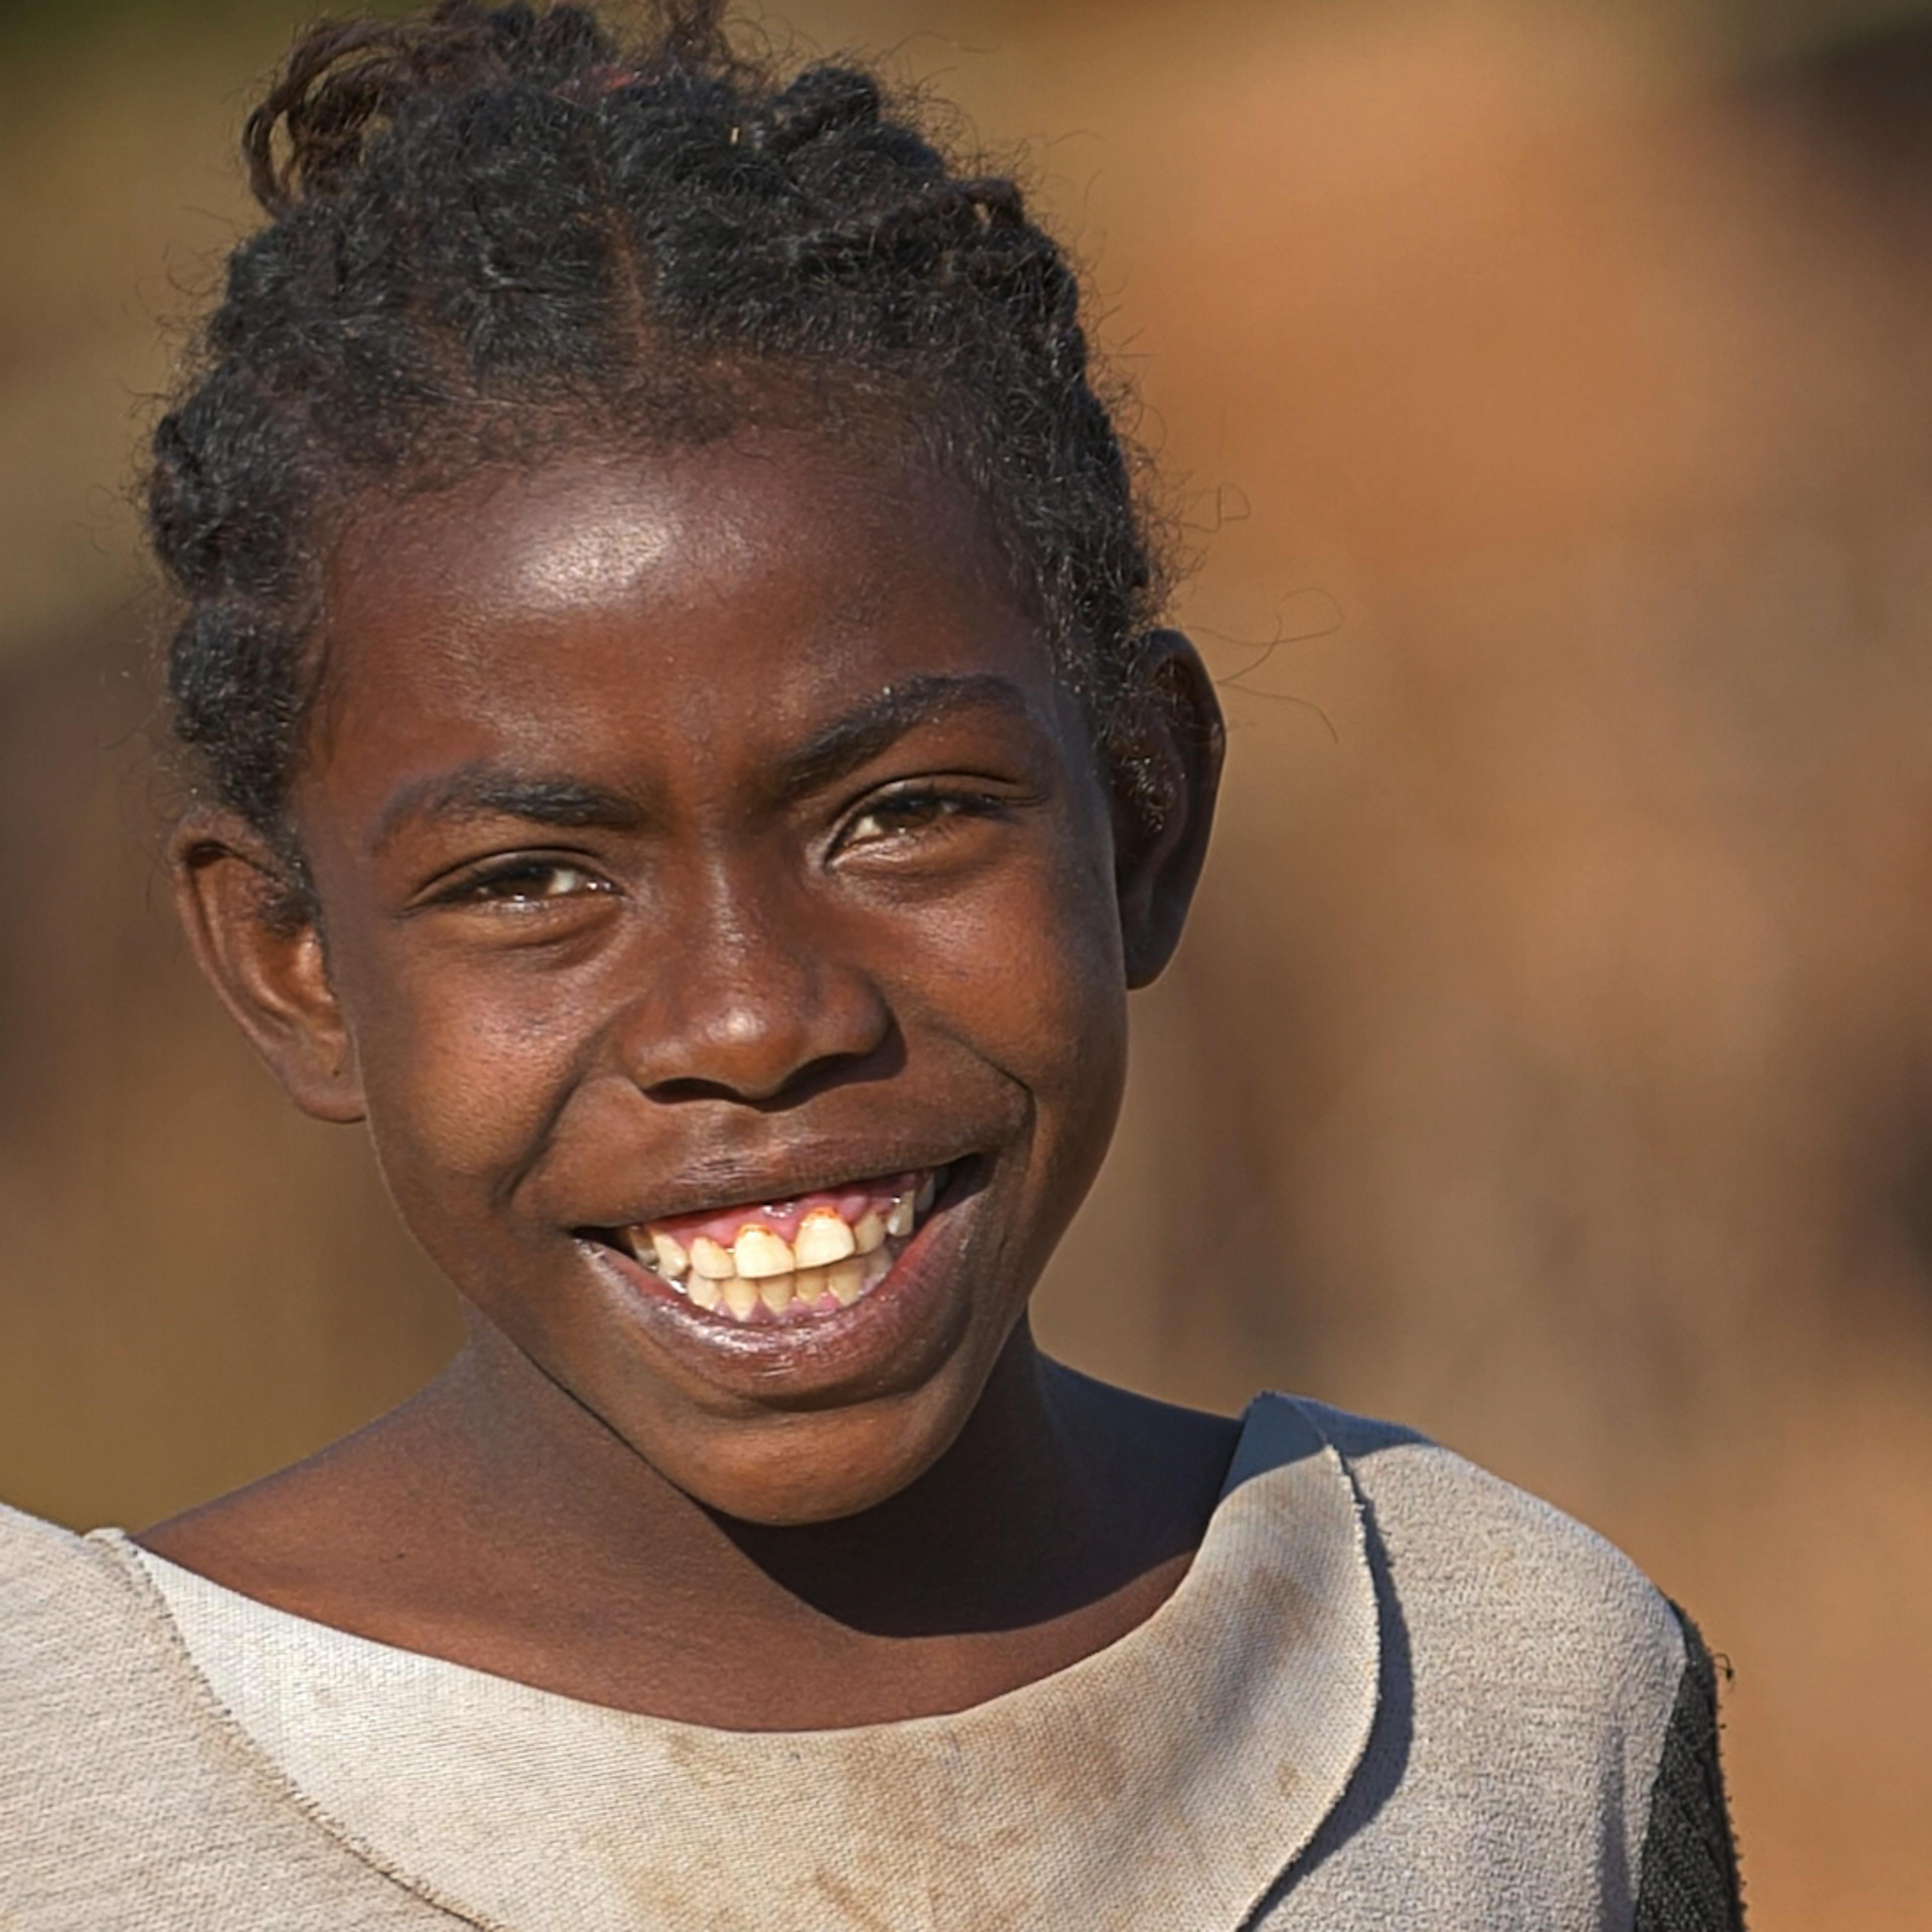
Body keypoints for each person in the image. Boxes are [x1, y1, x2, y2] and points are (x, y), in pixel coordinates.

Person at [0, 4, 1744, 1926]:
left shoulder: (1500, 1688)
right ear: (292, 964)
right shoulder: (66, 1772)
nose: (752, 1020)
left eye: (901, 816)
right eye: (532, 879)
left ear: (1144, 814)